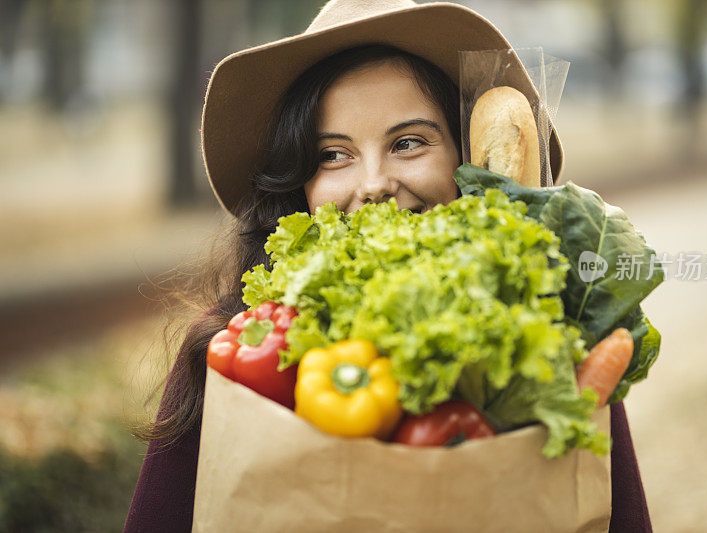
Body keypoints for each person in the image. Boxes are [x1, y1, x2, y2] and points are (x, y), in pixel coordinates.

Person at [124, 1, 651, 531]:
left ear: (468, 163)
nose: (373, 184)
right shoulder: (234, 343)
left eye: (408, 143)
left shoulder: (554, 346)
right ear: (299, 183)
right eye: (332, 154)